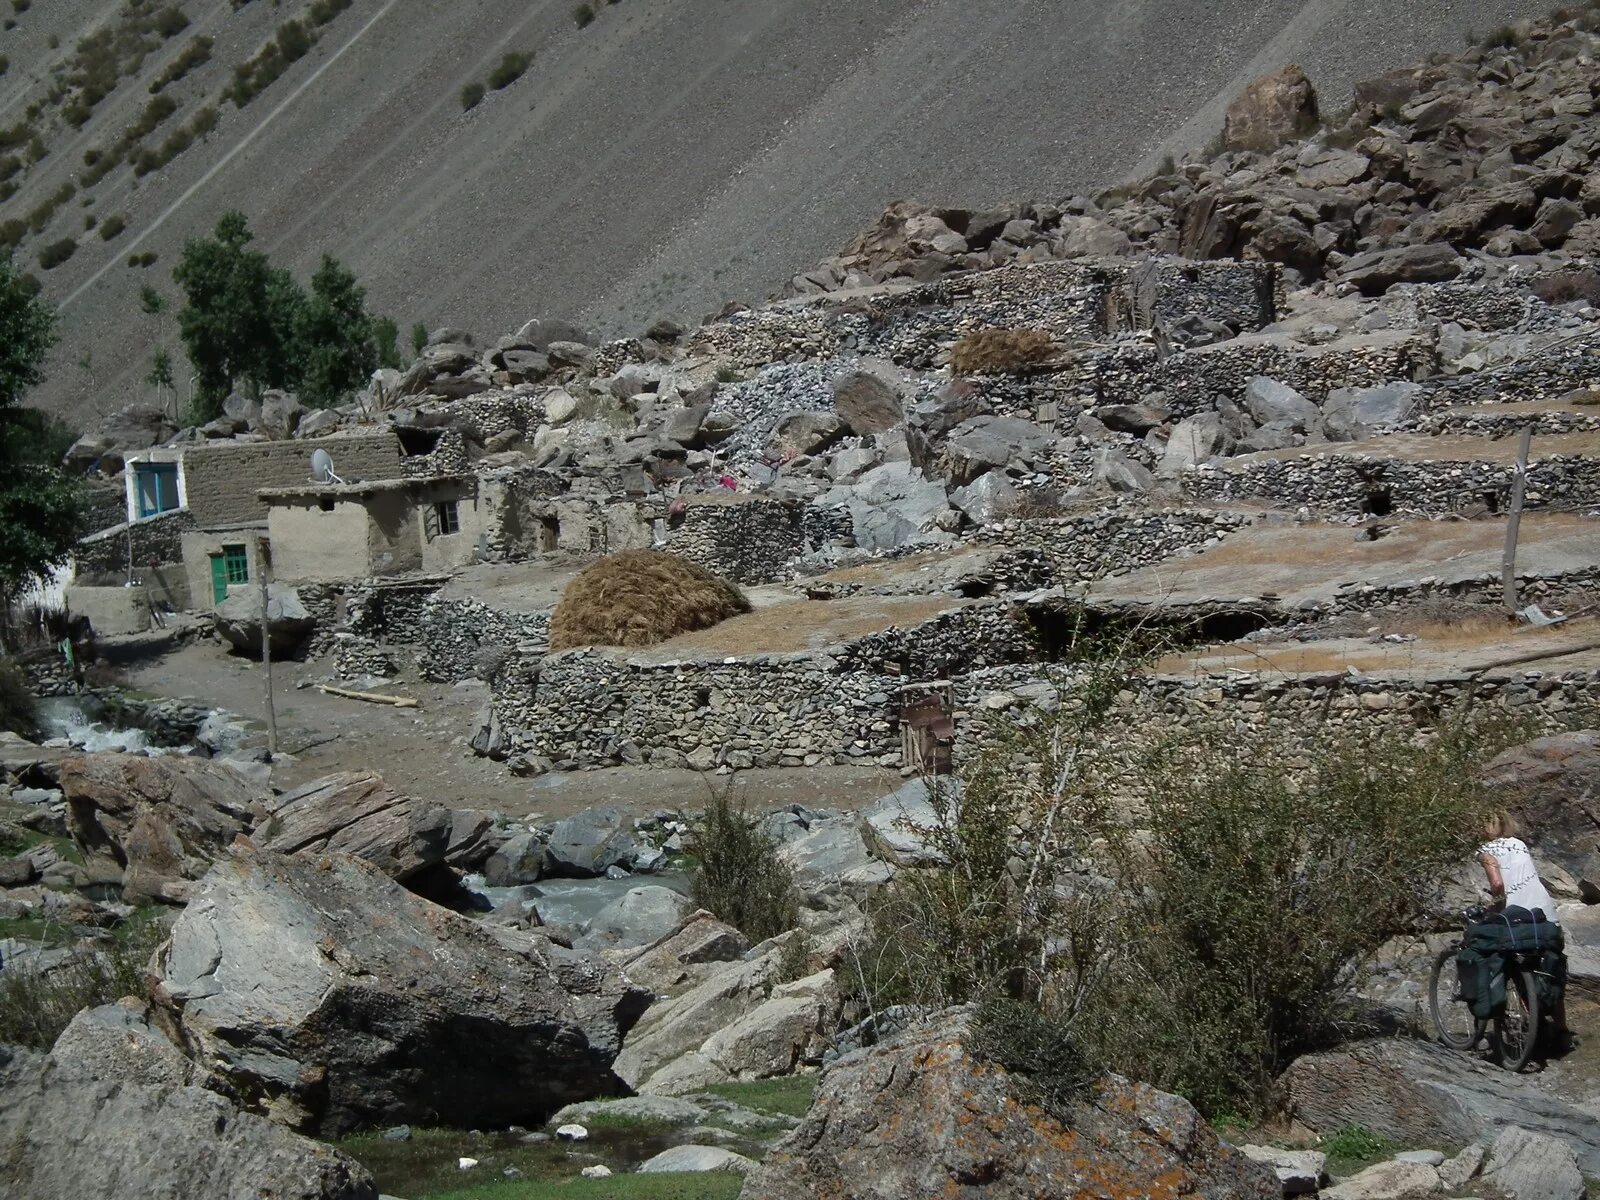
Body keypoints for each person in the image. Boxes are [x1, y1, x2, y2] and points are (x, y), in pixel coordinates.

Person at [1479, 812, 1570, 1045]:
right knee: (1550, 967)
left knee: (1512, 964)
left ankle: (1529, 1025)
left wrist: (1494, 911)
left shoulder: (1486, 849)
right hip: (1544, 913)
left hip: (1516, 917)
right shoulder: (1519, 844)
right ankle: (1560, 1029)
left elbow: (1497, 884)